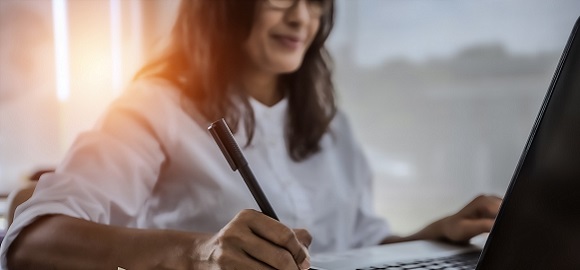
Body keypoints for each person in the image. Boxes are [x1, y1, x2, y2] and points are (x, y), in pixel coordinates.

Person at [0, 0, 502, 269]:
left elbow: (353, 245)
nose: (301, 17)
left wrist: (430, 238)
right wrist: (198, 254)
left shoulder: (330, 125)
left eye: (315, 0)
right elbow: (32, 241)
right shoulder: (153, 106)